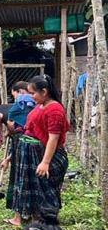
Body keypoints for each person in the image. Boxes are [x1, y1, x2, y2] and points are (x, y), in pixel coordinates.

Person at [12, 75, 70, 221]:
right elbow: (29, 130)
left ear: (44, 91)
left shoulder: (55, 109)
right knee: (34, 189)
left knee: (46, 189)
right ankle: (36, 219)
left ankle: (47, 220)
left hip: (49, 155)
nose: (31, 97)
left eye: (33, 93)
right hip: (34, 153)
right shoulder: (40, 106)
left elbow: (53, 138)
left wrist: (45, 162)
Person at [3, 81, 35, 225]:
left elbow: (11, 125)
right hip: (37, 147)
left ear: (21, 91)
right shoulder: (38, 106)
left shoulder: (18, 106)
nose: (15, 97)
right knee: (33, 181)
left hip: (23, 147)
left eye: (15, 94)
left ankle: (18, 217)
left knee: (20, 180)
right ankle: (32, 215)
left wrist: (10, 129)